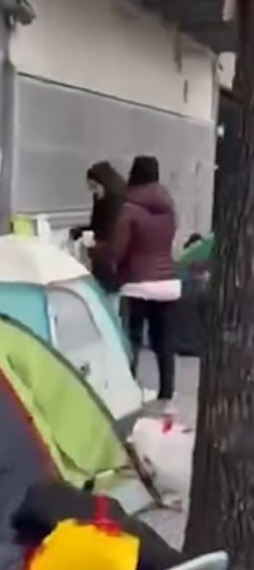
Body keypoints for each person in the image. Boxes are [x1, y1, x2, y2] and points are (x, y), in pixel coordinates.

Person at [108, 155, 179, 405]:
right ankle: (167, 391)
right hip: (167, 282)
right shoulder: (168, 208)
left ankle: (129, 387)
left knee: (132, 339)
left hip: (137, 282)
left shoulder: (129, 208)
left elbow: (119, 248)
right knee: (164, 341)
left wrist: (112, 263)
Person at [72, 161, 126, 293]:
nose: (93, 191)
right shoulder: (103, 200)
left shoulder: (116, 205)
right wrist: (83, 230)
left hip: (110, 261)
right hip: (101, 256)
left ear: (104, 183)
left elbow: (111, 233)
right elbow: (98, 226)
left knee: (108, 294)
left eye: (94, 186)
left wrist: (94, 243)